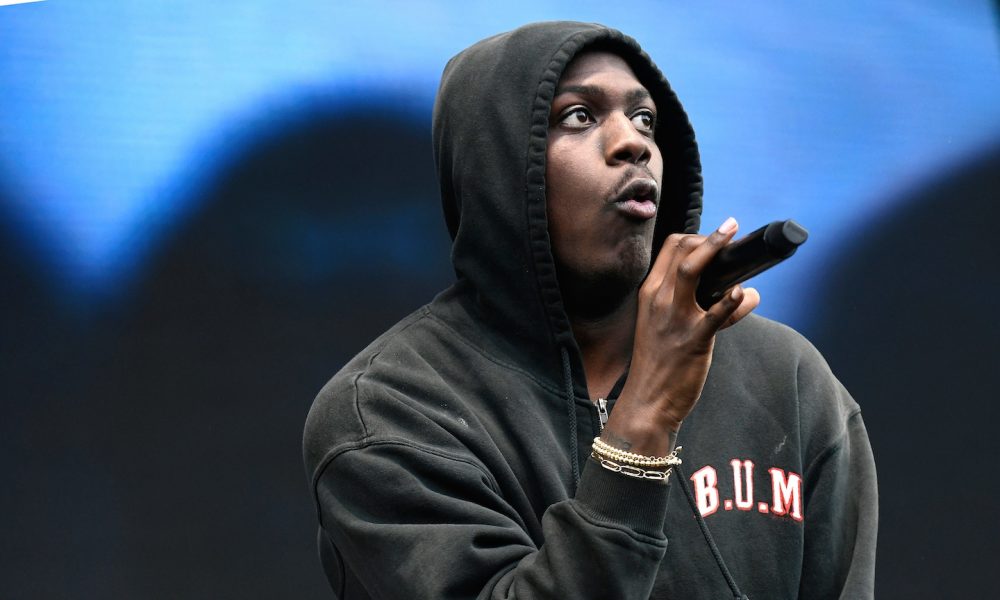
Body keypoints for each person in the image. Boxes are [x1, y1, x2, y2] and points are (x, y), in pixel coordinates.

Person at [303, 21, 877, 599]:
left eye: (645, 119)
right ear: (496, 169)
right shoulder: (387, 412)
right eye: (578, 116)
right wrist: (646, 420)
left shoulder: (787, 377)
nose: (634, 143)